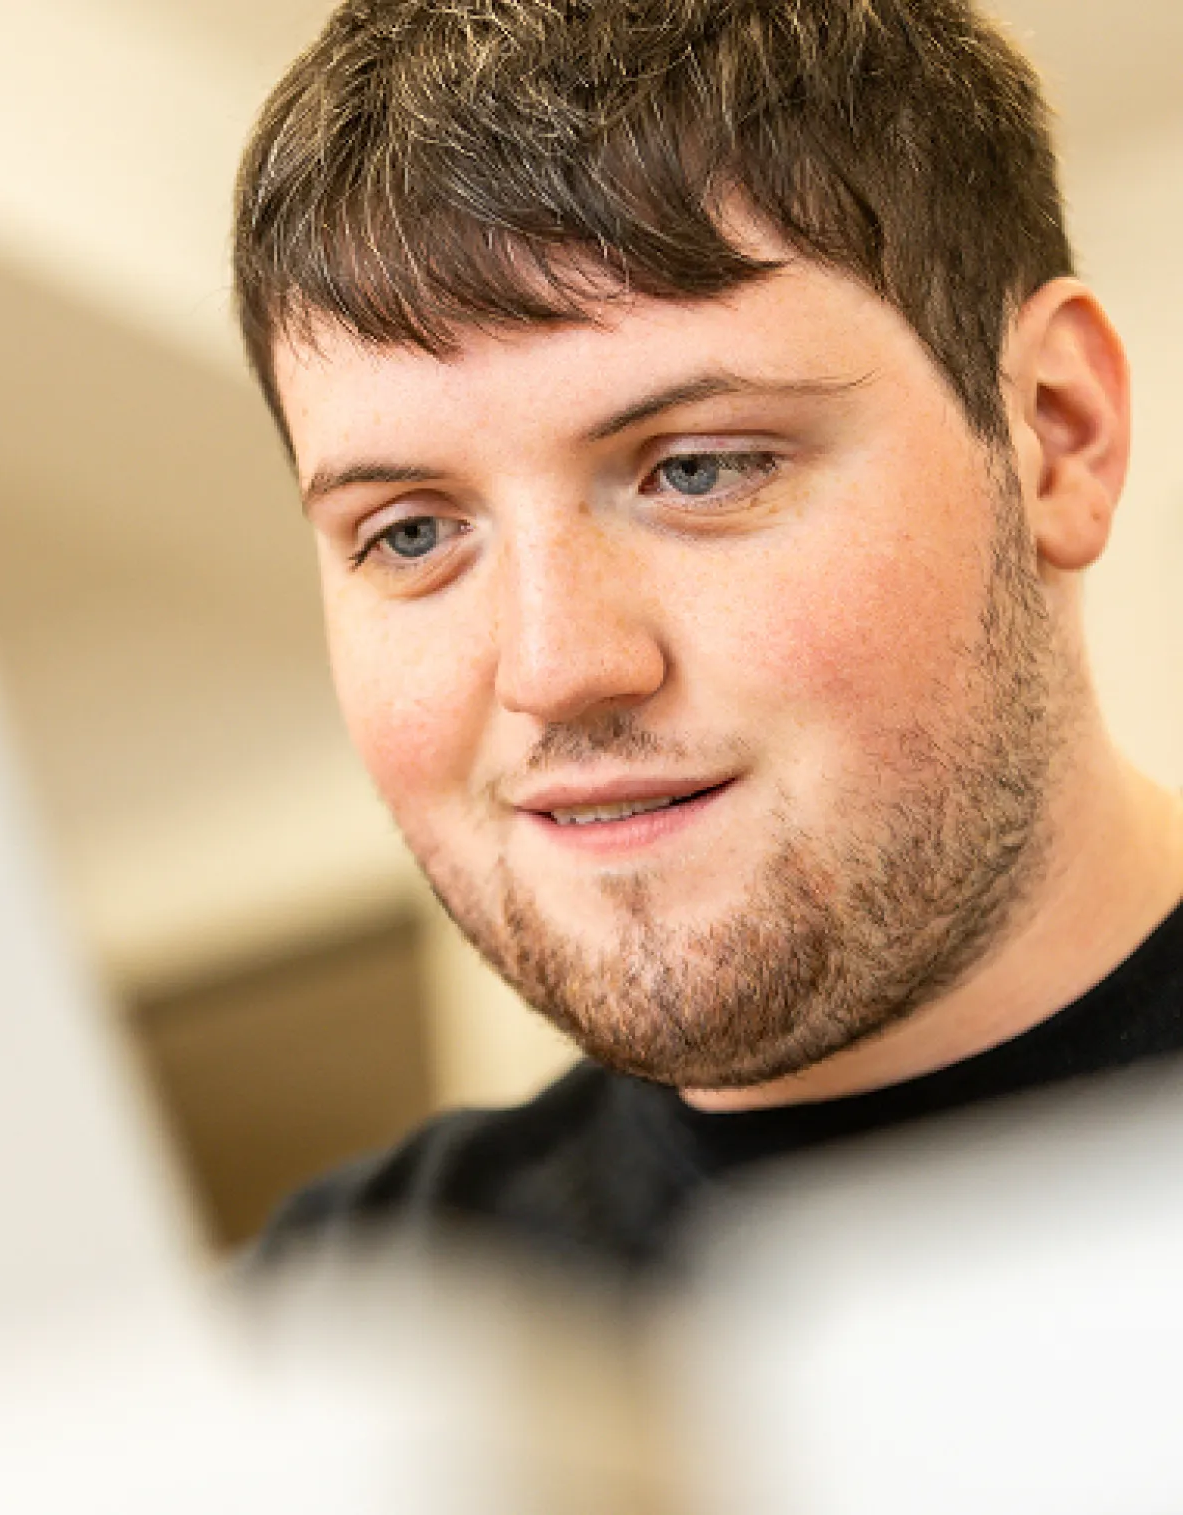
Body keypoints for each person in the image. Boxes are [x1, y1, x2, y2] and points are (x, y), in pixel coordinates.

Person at [231, 0, 1183, 1273]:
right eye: (410, 534)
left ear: (1055, 436)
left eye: (700, 469)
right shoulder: (347, 1326)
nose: (556, 668)